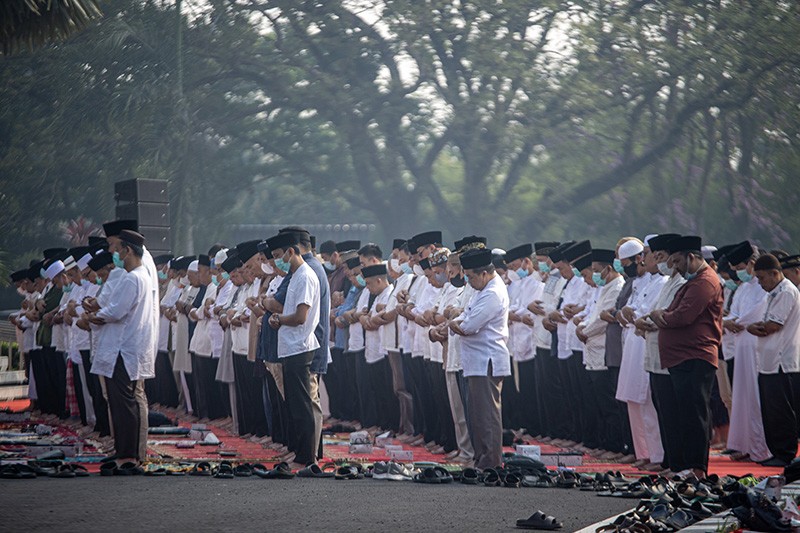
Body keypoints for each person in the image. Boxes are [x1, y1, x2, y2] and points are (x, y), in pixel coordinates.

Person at [650, 235, 723, 477]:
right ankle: (685, 466)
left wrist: (662, 316)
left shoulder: (704, 282)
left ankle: (697, 468)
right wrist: (664, 315)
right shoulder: (691, 283)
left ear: (692, 257)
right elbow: (671, 311)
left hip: (696, 356)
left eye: (679, 262)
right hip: (681, 358)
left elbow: (681, 316)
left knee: (695, 415)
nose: (676, 268)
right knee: (685, 414)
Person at [87, 230, 156, 467]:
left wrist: (96, 317)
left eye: (115, 248)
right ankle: (124, 449)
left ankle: (130, 452)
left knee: (126, 401)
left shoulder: (133, 277)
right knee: (120, 401)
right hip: (126, 346)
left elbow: (116, 311)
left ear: (127, 250)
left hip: (124, 348)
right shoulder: (139, 276)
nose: (112, 253)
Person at [449, 248, 511, 470]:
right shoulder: (481, 290)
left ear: (484, 273)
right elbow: (464, 315)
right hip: (476, 361)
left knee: (488, 417)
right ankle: (481, 459)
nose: (468, 280)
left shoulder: (493, 293)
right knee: (477, 416)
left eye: (471, 276)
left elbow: (469, 325)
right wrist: (457, 323)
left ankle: (491, 463)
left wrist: (454, 325)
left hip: (488, 360)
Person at [268, 231, 321, 469]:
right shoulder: (295, 275)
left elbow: (301, 317)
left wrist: (278, 319)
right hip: (290, 346)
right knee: (294, 405)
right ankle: (299, 452)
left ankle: (306, 457)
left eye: (279, 255)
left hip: (300, 346)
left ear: (291, 251)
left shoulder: (305, 277)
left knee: (302, 405)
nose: (277, 261)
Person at [749, 254, 800, 467]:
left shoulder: (786, 292)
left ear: (774, 273)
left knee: (781, 411)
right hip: (768, 362)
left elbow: (772, 326)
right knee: (771, 411)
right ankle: (776, 450)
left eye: (762, 278)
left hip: (782, 362)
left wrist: (752, 327)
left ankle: (785, 452)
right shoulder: (773, 293)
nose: (760, 283)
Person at [722, 241, 770, 463]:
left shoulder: (763, 287)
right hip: (740, 345)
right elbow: (734, 313)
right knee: (742, 397)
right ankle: (744, 444)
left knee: (755, 397)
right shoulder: (742, 288)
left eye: (740, 266)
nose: (738, 271)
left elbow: (757, 314)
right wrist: (728, 321)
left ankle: (761, 447)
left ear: (751, 263)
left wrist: (735, 322)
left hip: (755, 346)